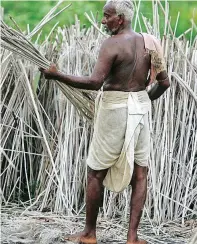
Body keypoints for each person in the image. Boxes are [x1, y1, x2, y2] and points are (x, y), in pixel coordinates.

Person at [40, 0, 170, 243]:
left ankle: (89, 234)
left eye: (107, 16)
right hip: (140, 108)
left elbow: (94, 82)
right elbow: (165, 83)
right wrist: (142, 101)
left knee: (95, 172)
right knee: (140, 173)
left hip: (114, 109)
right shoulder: (151, 43)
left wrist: (56, 76)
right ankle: (132, 238)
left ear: (120, 19)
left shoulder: (112, 44)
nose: (103, 21)